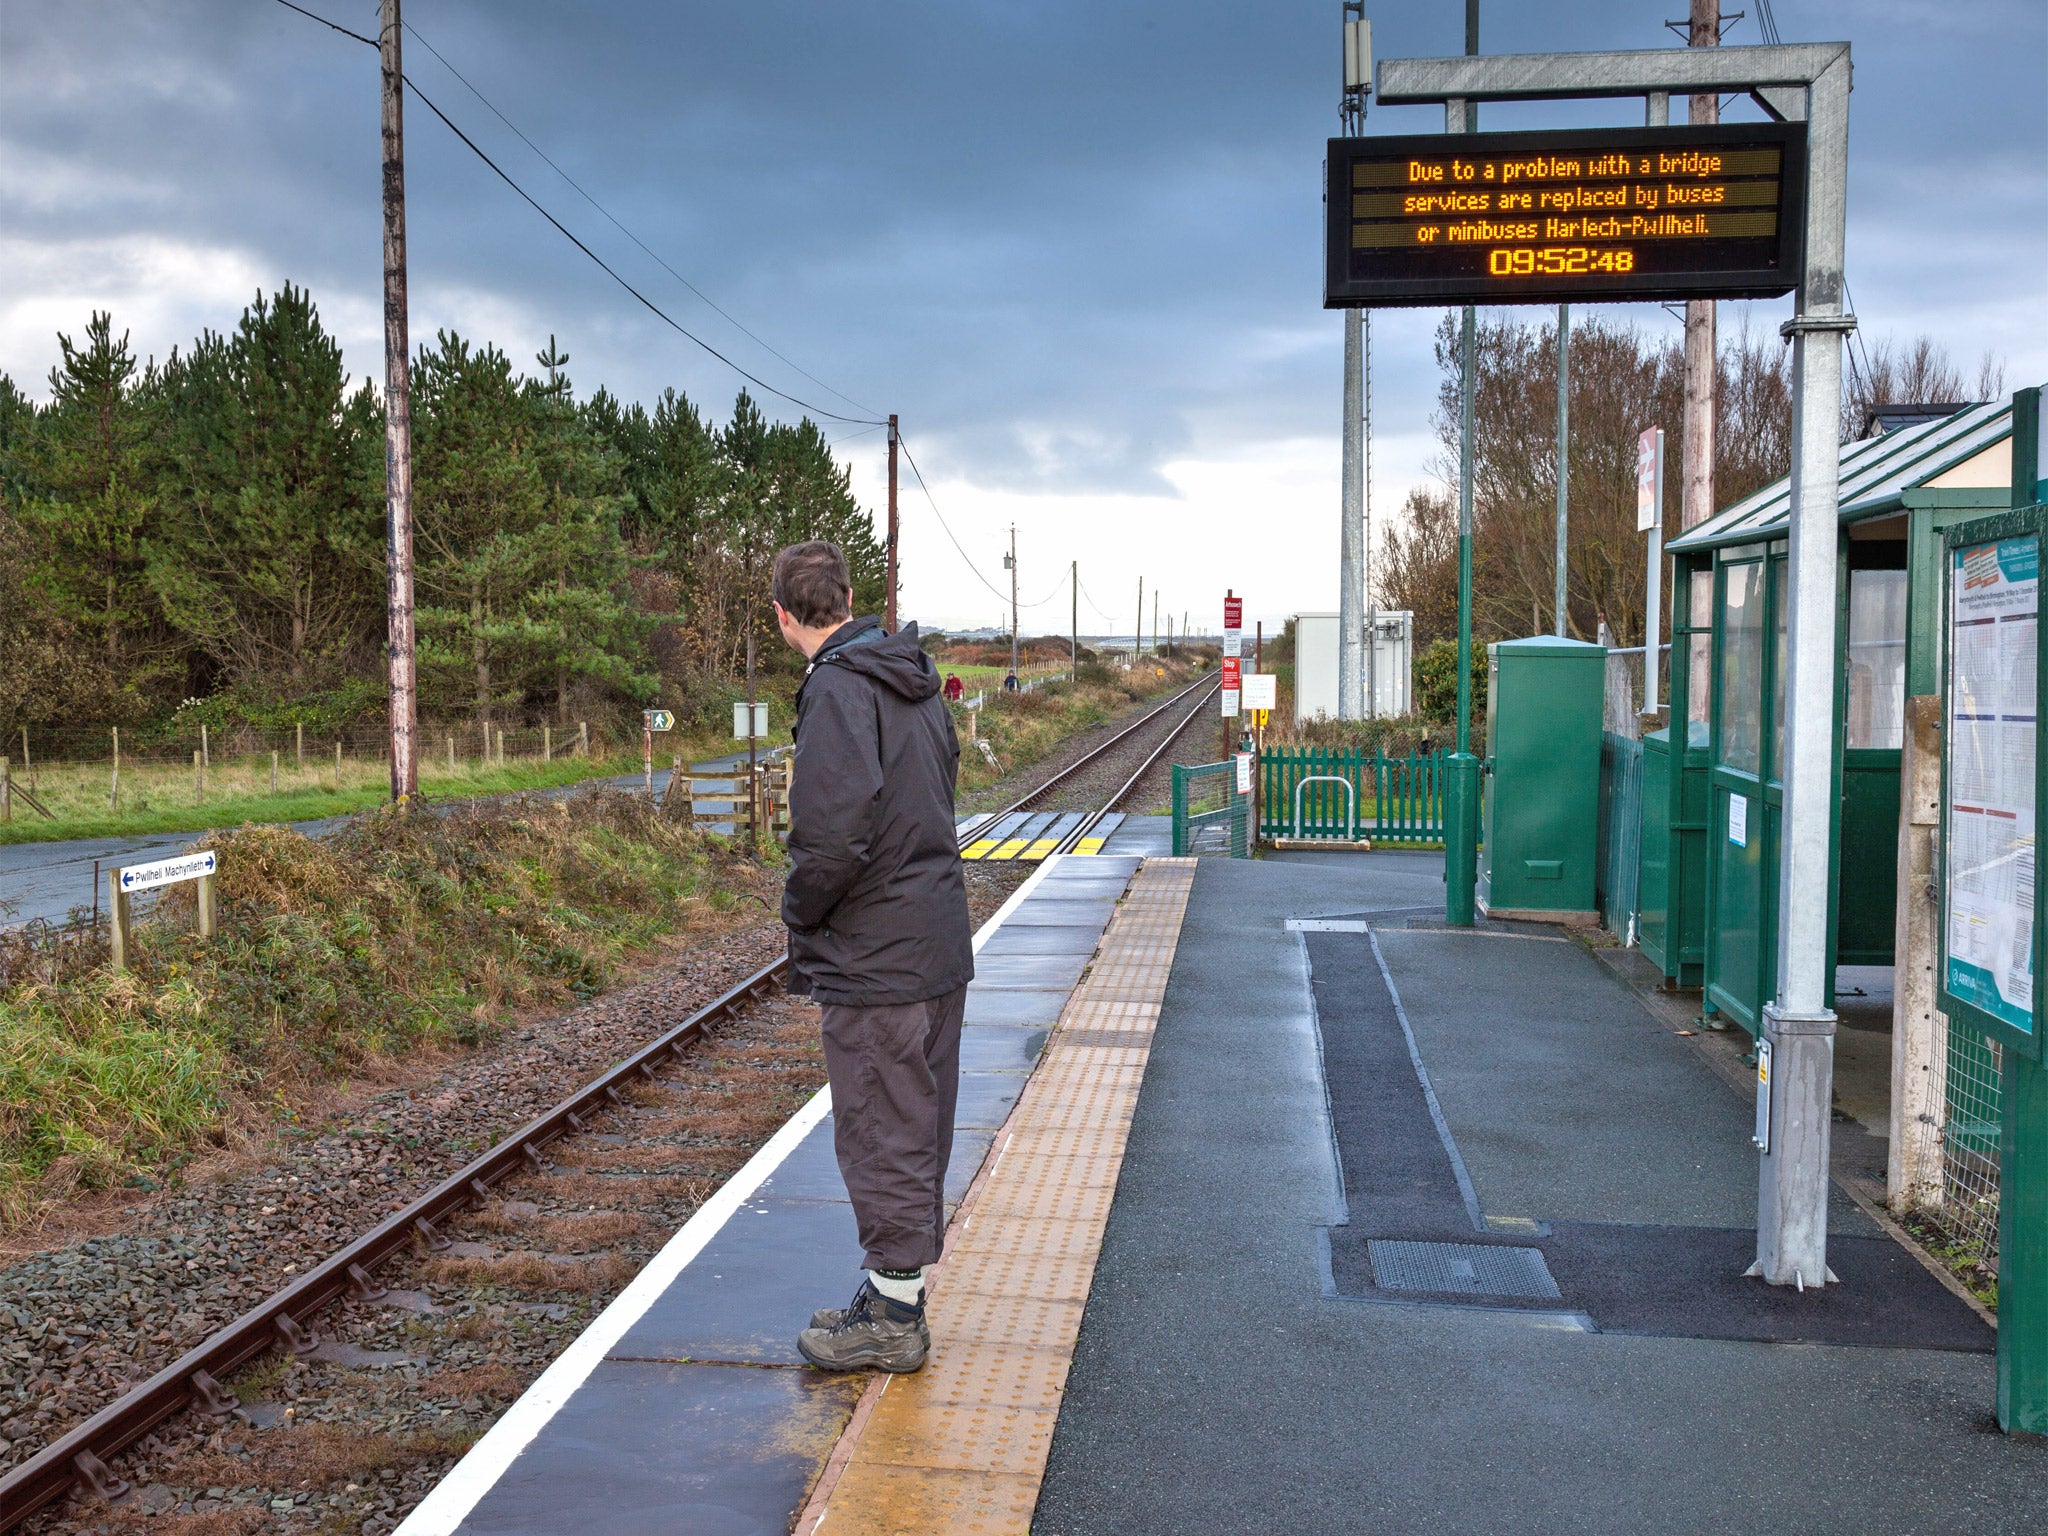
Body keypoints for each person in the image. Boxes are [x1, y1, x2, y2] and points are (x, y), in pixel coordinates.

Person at [771, 540, 975, 1373]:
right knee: (916, 1123)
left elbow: (829, 838)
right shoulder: (914, 681)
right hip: (935, 944)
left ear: (783, 617)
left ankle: (892, 1320)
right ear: (851, 598)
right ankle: (896, 1295)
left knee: (880, 1125)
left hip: (877, 959)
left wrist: (797, 913)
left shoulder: (838, 693)